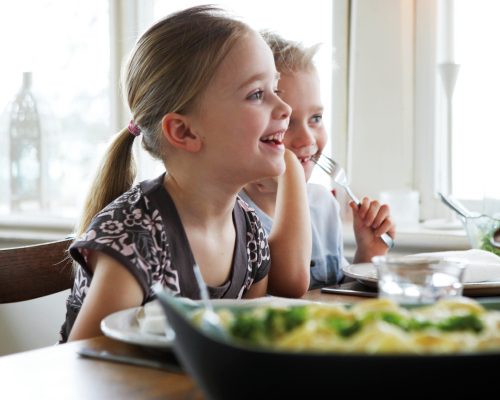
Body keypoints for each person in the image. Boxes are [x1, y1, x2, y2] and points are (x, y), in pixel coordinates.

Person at [59, 6, 293, 342]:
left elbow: (247, 346)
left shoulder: (251, 232)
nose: (284, 108)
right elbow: (87, 365)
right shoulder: (134, 237)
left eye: (276, 89)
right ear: (184, 132)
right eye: (256, 94)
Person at [240, 32, 396, 297]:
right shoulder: (233, 216)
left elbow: (334, 298)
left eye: (316, 118)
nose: (308, 139)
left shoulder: (323, 205)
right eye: (287, 121)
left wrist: (367, 255)